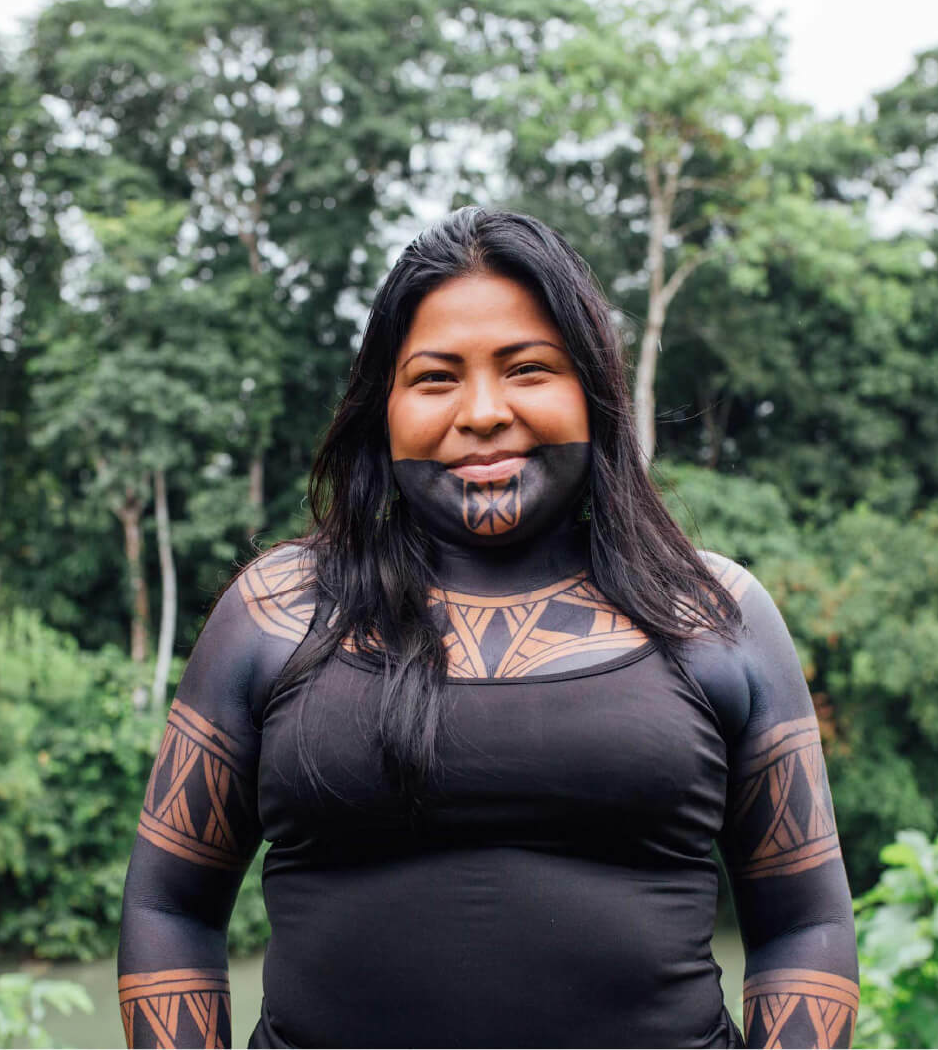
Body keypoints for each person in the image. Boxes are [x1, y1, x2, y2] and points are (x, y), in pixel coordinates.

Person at [115, 207, 857, 1048]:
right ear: (381, 407)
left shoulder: (713, 614)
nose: (481, 410)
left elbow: (804, 924)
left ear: (590, 388)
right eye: (435, 377)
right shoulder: (274, 612)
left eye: (527, 368)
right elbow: (167, 905)